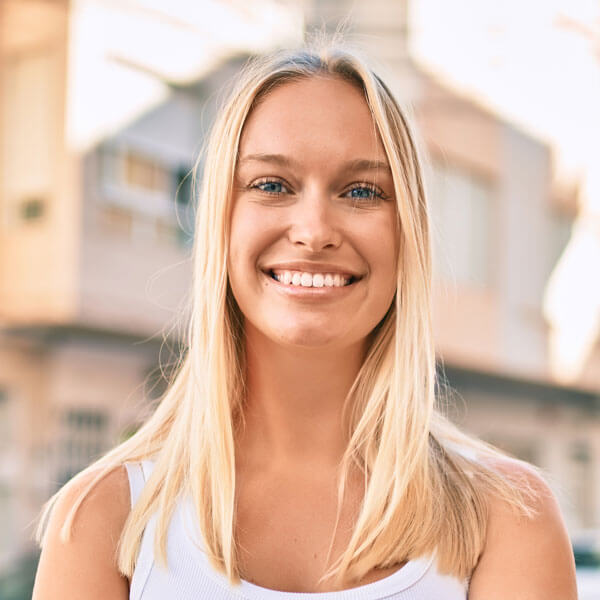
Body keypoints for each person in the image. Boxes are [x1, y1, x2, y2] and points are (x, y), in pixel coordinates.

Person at [32, 44, 577, 599]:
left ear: (406, 230)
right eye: (271, 185)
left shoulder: (506, 521)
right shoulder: (102, 520)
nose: (314, 230)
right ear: (221, 216)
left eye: (361, 191)